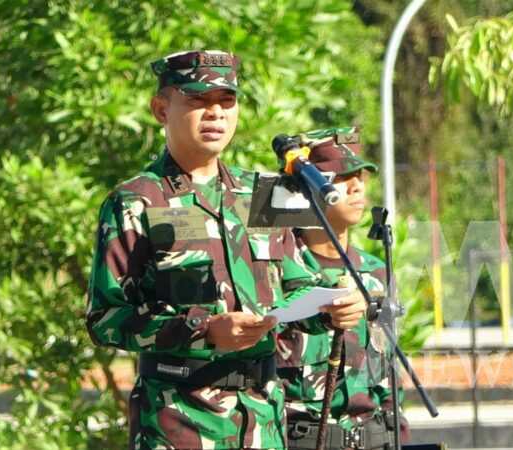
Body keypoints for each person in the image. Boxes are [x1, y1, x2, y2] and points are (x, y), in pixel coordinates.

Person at [85, 50, 366, 450]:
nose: (215, 113)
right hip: (179, 422)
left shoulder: (265, 194)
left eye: (226, 102)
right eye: (198, 101)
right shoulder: (136, 201)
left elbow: (297, 288)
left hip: (264, 421)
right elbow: (106, 318)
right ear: (161, 109)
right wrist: (204, 332)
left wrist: (331, 307)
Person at [274, 128, 409, 450]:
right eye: (342, 176)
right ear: (304, 187)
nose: (357, 186)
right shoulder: (275, 269)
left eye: (361, 175)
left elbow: (389, 372)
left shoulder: (375, 272)